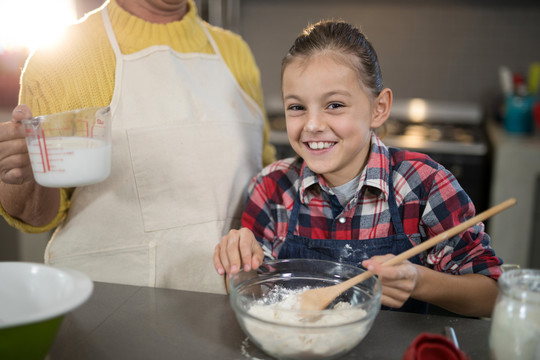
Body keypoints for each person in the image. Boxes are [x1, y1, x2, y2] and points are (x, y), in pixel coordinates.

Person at [213, 20, 502, 317]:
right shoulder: (271, 188)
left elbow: (490, 295)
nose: (312, 125)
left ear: (379, 108)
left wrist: (419, 282)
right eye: (297, 107)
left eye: (335, 105)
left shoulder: (424, 184)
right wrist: (240, 263)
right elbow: (252, 297)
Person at [0, 0, 275, 294]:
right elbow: (37, 215)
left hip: (234, 302)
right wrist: (26, 177)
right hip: (116, 313)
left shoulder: (235, 52)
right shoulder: (61, 59)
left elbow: (267, 180)